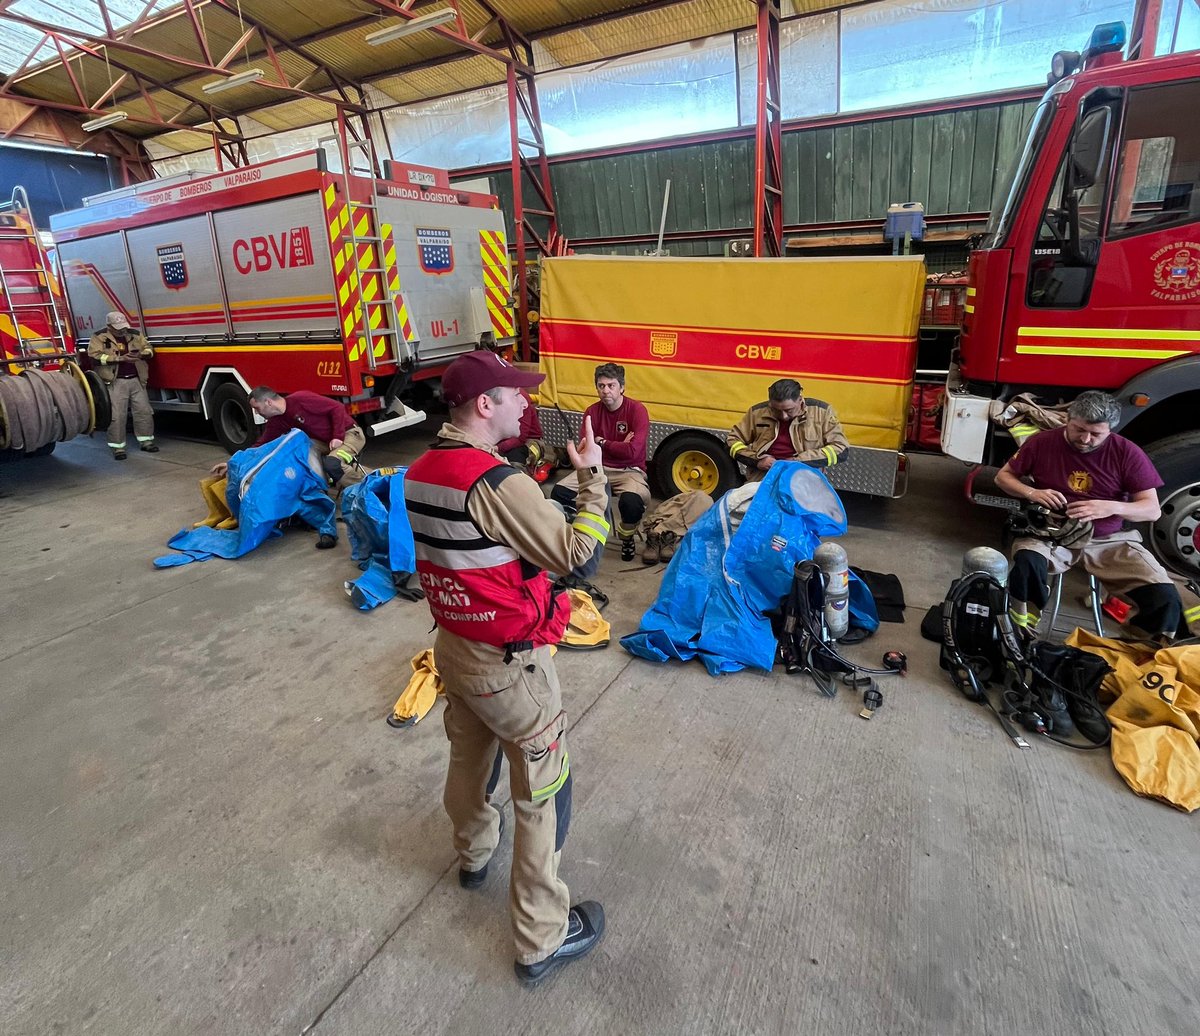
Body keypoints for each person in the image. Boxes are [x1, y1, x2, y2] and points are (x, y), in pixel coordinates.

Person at [403, 349, 608, 985]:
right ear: (484, 406)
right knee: (540, 795)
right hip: (510, 667)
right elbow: (578, 558)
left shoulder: (420, 470)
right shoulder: (495, 482)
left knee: (469, 759)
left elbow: (479, 550)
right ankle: (540, 938)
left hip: (455, 651)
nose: (527, 401)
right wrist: (592, 480)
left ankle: (472, 856)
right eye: (516, 393)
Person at [995, 390, 1182, 637]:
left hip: (1107, 541)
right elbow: (1003, 477)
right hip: (1051, 534)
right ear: (1067, 420)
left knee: (1163, 596)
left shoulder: (1127, 452)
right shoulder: (1042, 442)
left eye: (1096, 434)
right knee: (1027, 563)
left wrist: (1110, 506)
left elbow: (1152, 510)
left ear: (1110, 430)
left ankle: (1139, 655)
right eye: (1078, 430)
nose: (1085, 439)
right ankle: (1019, 634)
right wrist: (1032, 493)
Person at [551, 362, 650, 561]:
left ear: (622, 387)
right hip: (597, 467)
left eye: (611, 385)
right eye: (601, 386)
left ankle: (627, 537)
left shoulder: (637, 410)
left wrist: (602, 442)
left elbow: (633, 451)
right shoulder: (592, 412)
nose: (605, 391)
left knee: (632, 503)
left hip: (629, 470)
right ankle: (584, 535)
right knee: (559, 492)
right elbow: (586, 450)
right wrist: (616, 445)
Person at [727, 378, 848, 481]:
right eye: (776, 410)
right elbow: (732, 442)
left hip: (805, 479)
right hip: (763, 478)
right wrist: (757, 461)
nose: (783, 416)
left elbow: (840, 449)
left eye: (789, 410)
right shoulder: (756, 412)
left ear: (800, 400)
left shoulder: (821, 412)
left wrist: (798, 461)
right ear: (770, 403)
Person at [87, 311, 157, 459]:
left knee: (143, 412)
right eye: (117, 328)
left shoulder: (135, 334)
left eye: (123, 326)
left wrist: (141, 355)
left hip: (137, 379)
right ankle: (118, 448)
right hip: (115, 381)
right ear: (109, 326)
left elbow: (149, 349)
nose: (121, 330)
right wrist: (119, 359)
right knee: (117, 415)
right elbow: (95, 356)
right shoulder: (99, 337)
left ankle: (146, 441)